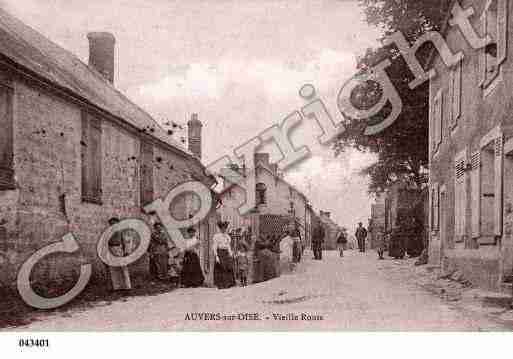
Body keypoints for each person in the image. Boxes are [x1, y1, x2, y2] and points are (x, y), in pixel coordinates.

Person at [106, 217, 132, 291]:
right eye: (111, 223)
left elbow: (125, 242)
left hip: (119, 249)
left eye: (114, 223)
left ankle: (127, 286)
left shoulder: (121, 231)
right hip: (111, 250)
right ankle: (117, 287)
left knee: (123, 267)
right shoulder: (107, 232)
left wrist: (126, 252)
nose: (112, 224)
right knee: (113, 268)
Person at [212, 221, 236, 289]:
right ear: (220, 228)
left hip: (226, 253)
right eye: (222, 228)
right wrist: (216, 256)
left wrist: (230, 254)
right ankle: (221, 284)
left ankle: (228, 283)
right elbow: (214, 247)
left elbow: (228, 246)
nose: (224, 229)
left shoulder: (227, 236)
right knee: (221, 267)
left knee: (228, 267)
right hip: (220, 252)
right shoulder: (216, 236)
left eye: (225, 228)